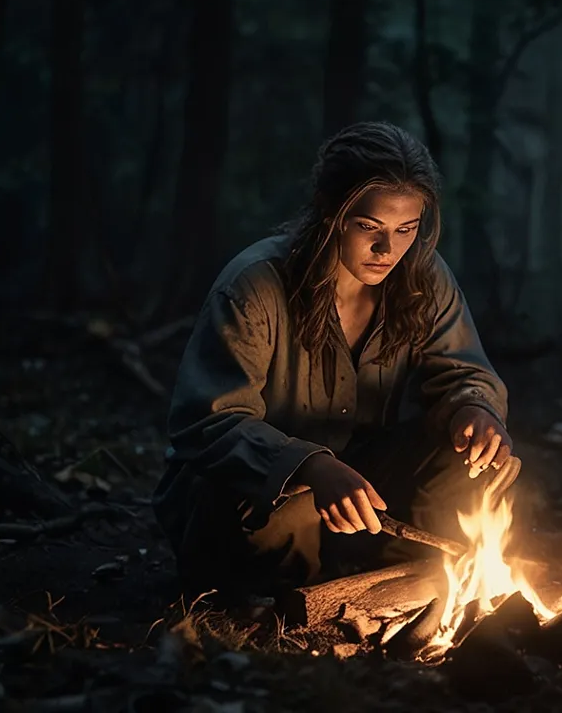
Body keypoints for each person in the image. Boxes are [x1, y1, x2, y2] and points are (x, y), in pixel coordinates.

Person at [153, 122, 515, 601]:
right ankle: (284, 602)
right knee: (287, 505)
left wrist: (475, 409)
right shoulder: (256, 286)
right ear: (331, 212)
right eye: (370, 227)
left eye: (406, 229)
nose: (389, 249)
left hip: (363, 488)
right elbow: (209, 424)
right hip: (249, 494)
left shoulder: (423, 278)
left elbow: (464, 373)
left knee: (480, 463)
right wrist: (307, 466)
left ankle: (418, 589)